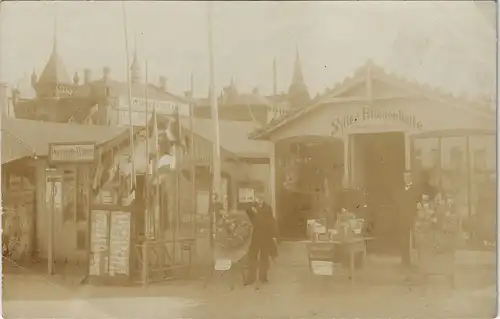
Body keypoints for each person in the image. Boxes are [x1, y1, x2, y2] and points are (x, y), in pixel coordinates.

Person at [244, 194, 277, 285]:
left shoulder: (267, 207)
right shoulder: (251, 207)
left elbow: (271, 221)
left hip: (265, 236)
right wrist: (253, 209)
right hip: (254, 236)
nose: (260, 200)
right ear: (255, 198)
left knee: (264, 257)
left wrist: (273, 235)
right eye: (258, 198)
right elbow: (247, 217)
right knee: (252, 257)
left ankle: (263, 277)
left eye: (261, 198)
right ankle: (251, 278)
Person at [395, 171, 420, 268]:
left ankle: (416, 262)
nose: (406, 179)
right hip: (403, 218)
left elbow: (417, 204)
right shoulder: (401, 190)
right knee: (403, 240)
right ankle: (405, 261)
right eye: (405, 177)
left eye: (408, 177)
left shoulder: (415, 190)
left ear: (411, 178)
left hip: (412, 218)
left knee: (416, 240)